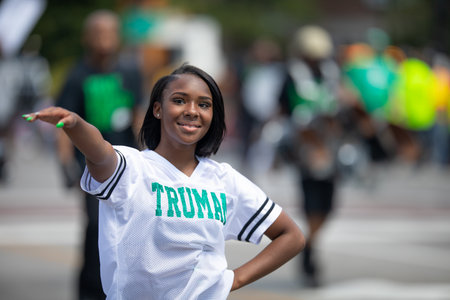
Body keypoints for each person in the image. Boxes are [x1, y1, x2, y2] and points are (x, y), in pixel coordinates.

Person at [23, 64, 305, 299]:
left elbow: (291, 236)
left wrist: (236, 279)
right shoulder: (133, 168)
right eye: (180, 100)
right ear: (157, 109)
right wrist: (75, 125)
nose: (192, 110)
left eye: (204, 104)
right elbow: (99, 152)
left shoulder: (224, 180)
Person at [54, 10, 144, 300]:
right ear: (87, 38)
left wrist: (149, 153)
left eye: (110, 32)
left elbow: (138, 114)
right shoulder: (78, 74)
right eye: (98, 32)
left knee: (130, 228)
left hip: (126, 162)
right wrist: (65, 162)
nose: (104, 39)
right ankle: (91, 291)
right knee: (96, 228)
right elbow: (62, 123)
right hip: (91, 167)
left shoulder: (130, 71)